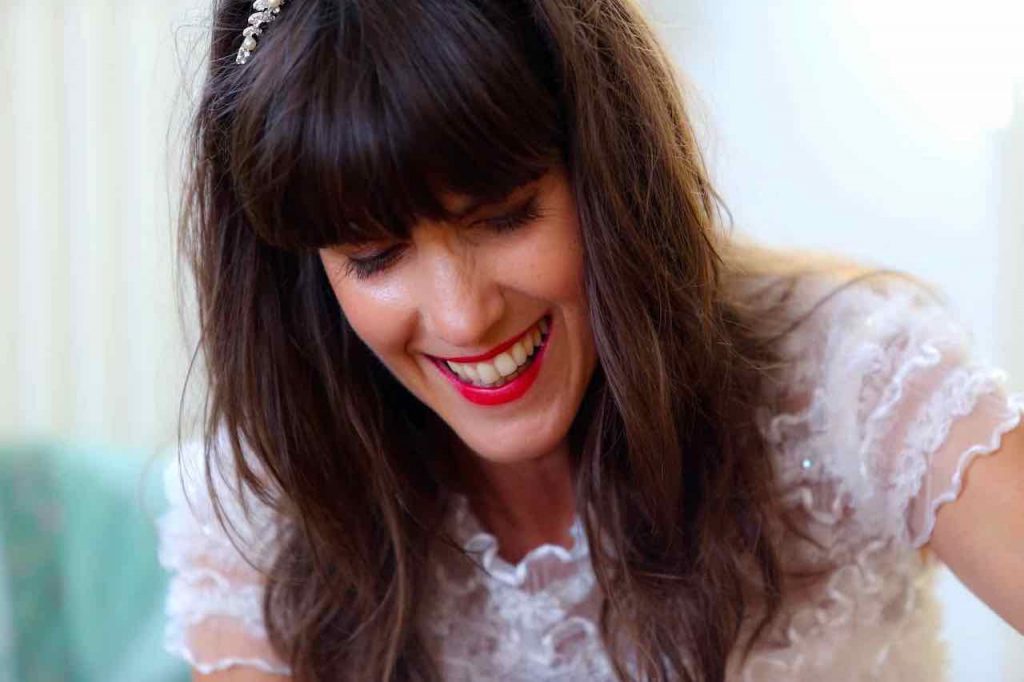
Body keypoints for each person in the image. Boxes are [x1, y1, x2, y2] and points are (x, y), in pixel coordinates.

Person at [156, 0, 1024, 680]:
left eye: (504, 216)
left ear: (609, 173)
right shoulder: (267, 510)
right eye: (375, 256)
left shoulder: (848, 376)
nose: (462, 317)